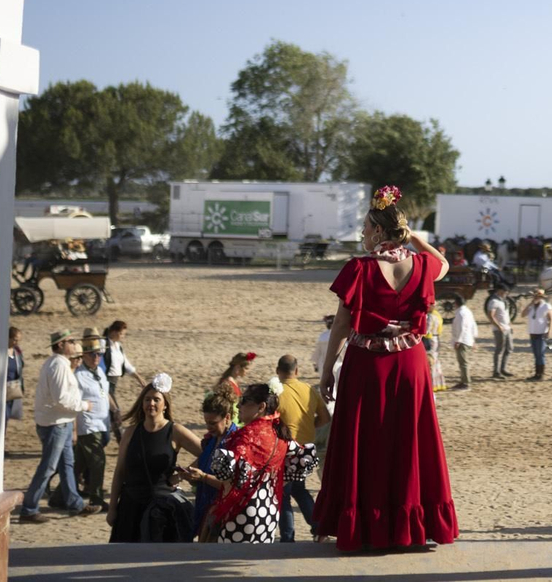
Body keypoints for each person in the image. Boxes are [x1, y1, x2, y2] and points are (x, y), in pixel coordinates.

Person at [312, 185, 459, 550]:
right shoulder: (422, 264)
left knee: (367, 443)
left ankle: (366, 526)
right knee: (409, 440)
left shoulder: (360, 269)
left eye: (365, 227)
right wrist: (416, 240)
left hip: (368, 366)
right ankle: (412, 524)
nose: (362, 234)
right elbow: (444, 264)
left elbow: (342, 326)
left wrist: (327, 369)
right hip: (410, 364)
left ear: (378, 231)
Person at [190, 380, 318, 543]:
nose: (238, 406)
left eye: (244, 401)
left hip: (241, 511)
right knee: (256, 562)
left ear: (261, 407)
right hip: (268, 510)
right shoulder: (279, 432)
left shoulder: (246, 436)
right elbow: (302, 460)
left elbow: (230, 476)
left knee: (228, 558)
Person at [107, 373, 205, 542]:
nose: (151, 403)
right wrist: (112, 508)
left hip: (161, 508)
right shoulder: (130, 433)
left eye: (156, 400)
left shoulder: (175, 431)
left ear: (165, 405)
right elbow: (119, 472)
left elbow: (207, 452)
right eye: (147, 399)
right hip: (131, 507)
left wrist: (181, 474)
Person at [19, 328, 99, 523]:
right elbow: (61, 399)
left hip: (59, 422)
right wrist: (84, 406)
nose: (74, 344)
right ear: (61, 344)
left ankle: (76, 503)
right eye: (70, 341)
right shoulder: (58, 365)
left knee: (66, 465)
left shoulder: (58, 364)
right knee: (49, 466)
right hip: (54, 424)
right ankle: (29, 507)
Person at [274, 354, 324, 541]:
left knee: (284, 493)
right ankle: (317, 527)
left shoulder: (277, 392)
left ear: (278, 371)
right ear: (296, 371)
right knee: (299, 490)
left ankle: (287, 537)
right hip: (307, 449)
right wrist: (309, 426)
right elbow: (324, 418)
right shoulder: (309, 389)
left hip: (286, 449)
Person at [187, 391, 236, 537]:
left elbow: (231, 485)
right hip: (207, 510)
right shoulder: (212, 441)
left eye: (213, 423)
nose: (208, 427)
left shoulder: (234, 443)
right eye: (207, 422)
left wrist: (203, 478)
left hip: (223, 515)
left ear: (227, 417)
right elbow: (200, 464)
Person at [74, 329, 112, 511]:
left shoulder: (99, 372)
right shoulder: (78, 375)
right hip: (88, 425)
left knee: (79, 463)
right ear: (84, 355)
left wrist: (115, 410)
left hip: (102, 423)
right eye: (93, 354)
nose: (97, 357)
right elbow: (74, 403)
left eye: (99, 354)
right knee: (98, 461)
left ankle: (60, 495)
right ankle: (96, 499)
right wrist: (74, 429)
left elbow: (105, 393)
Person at [103, 320, 140, 416]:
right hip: (106, 380)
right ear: (114, 332)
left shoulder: (118, 346)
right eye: (121, 334)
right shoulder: (103, 344)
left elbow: (126, 364)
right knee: (114, 409)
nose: (123, 336)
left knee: (109, 407)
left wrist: (139, 378)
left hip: (114, 382)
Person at [522, 288, 552, 380]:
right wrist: (530, 304)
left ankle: (541, 374)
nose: (536, 298)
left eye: (538, 296)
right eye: (535, 296)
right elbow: (523, 314)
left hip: (542, 333)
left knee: (540, 353)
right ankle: (537, 373)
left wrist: (549, 331)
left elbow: (551, 319)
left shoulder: (546, 306)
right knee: (536, 354)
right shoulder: (531, 306)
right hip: (533, 332)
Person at [214, 351, 255, 423]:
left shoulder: (232, 381)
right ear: (238, 367)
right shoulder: (228, 383)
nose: (247, 371)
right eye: (246, 368)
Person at [449, 295, 477, 390]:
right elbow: (473, 325)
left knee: (463, 362)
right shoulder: (467, 312)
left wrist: (458, 341)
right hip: (467, 339)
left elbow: (462, 328)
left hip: (463, 341)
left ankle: (466, 382)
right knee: (463, 362)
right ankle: (463, 380)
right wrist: (473, 339)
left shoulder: (461, 313)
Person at [487, 284, 513, 379]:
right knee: (499, 349)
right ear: (500, 291)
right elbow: (491, 315)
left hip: (507, 328)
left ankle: (503, 368)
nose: (506, 294)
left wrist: (509, 325)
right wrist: (498, 326)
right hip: (499, 329)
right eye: (505, 292)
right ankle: (496, 371)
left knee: (509, 348)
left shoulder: (503, 301)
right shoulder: (494, 301)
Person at [423, 299, 447, 392]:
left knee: (430, 362)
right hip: (437, 338)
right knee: (436, 361)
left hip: (430, 338)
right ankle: (439, 383)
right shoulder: (437, 315)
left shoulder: (430, 316)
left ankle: (432, 384)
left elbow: (427, 329)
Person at [5, 326, 25, 424]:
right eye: (15, 340)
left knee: (8, 416)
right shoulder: (1, 351)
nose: (16, 343)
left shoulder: (17, 352)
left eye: (18, 340)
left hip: (13, 390)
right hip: (3, 390)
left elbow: (21, 369)